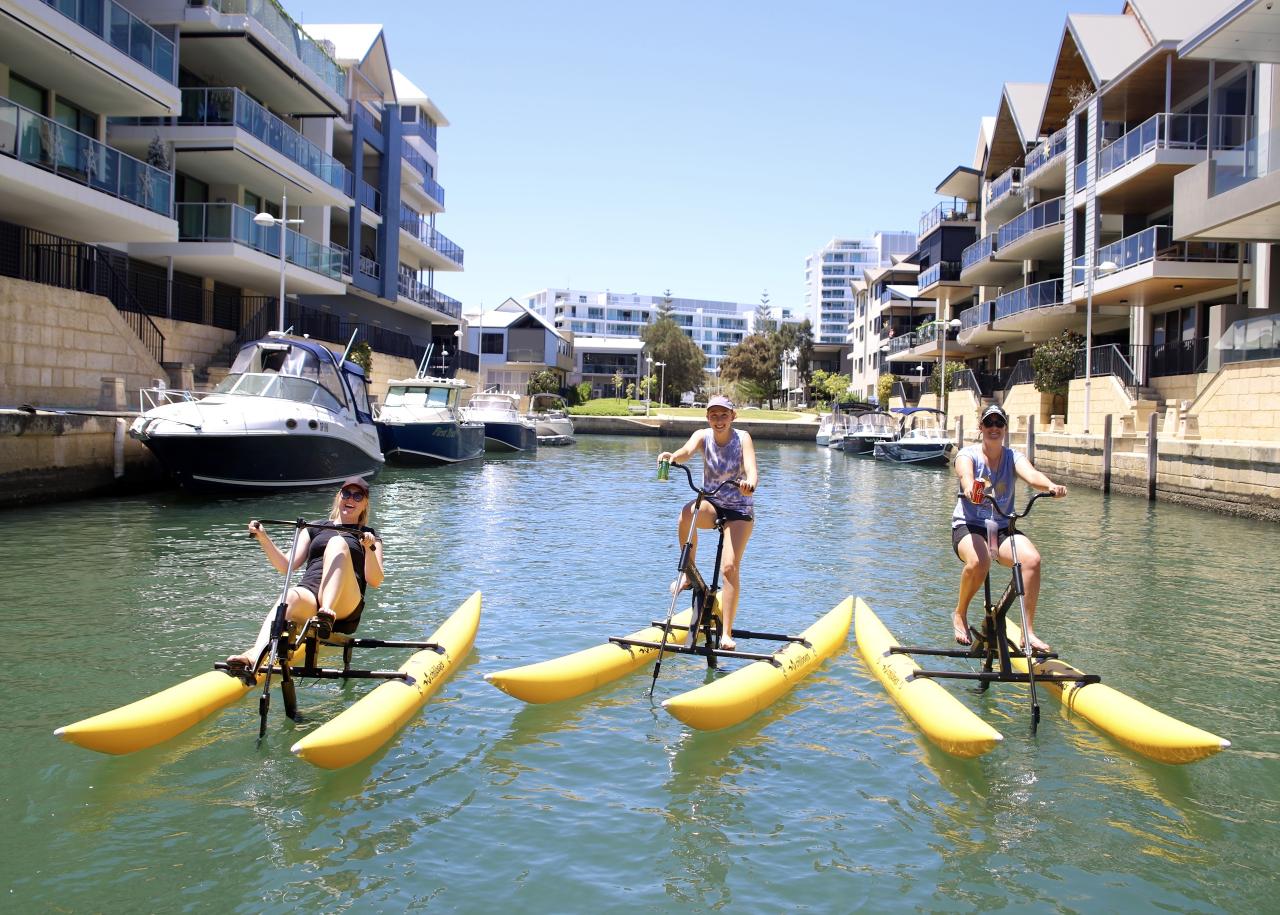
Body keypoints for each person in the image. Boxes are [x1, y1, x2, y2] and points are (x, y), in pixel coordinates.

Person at [227, 477, 384, 669]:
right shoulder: (313, 528)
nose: (350, 499)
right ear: (338, 497)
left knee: (337, 542)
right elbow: (286, 565)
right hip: (311, 596)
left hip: (345, 603)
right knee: (290, 595)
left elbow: (375, 580)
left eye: (358, 496)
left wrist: (369, 548)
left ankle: (326, 613)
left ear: (365, 503)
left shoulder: (369, 535)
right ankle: (254, 656)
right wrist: (263, 538)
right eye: (346, 493)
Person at [951, 403, 1066, 652]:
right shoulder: (967, 455)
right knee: (980, 563)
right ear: (981, 427)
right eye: (989, 423)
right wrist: (971, 489)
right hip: (969, 526)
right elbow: (965, 477)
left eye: (999, 423)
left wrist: (1051, 487)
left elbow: (1033, 476)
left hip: (1002, 528)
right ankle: (960, 613)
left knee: (1032, 560)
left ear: (1005, 428)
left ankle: (1028, 633)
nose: (994, 427)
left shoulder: (1013, 457)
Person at [657, 395, 759, 651]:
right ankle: (688, 574)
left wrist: (750, 484)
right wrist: (672, 457)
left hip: (739, 509)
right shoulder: (702, 435)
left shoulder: (743, 438)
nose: (719, 420)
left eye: (724, 415)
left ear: (733, 416)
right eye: (713, 415)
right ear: (707, 418)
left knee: (729, 568)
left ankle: (726, 633)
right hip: (712, 504)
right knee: (686, 514)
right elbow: (686, 452)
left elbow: (751, 469)